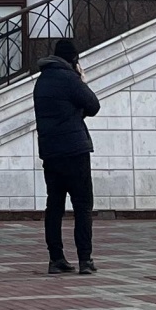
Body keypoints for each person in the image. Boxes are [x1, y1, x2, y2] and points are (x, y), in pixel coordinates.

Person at [33, 37, 99, 275]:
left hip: (51, 153)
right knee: (82, 206)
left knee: (55, 206)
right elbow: (93, 105)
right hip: (74, 151)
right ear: (73, 59)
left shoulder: (41, 81)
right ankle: (85, 259)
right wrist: (82, 79)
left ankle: (56, 258)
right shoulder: (71, 78)